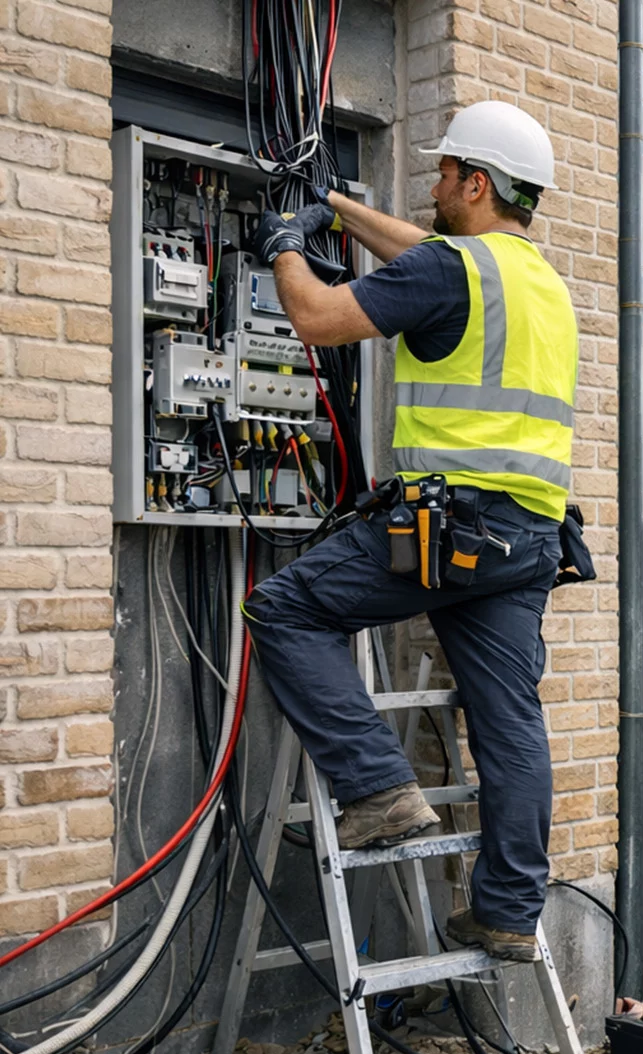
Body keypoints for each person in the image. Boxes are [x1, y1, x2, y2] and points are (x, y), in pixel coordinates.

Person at [243, 100, 576, 962]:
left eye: (440, 173)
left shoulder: (453, 269)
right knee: (510, 724)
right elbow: (428, 259)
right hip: (530, 538)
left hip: (454, 526)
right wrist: (339, 207)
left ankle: (378, 789)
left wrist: (285, 242)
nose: (430, 185)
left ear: (474, 182)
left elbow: (318, 318)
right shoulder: (536, 279)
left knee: (284, 610)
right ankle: (508, 910)